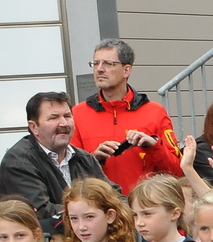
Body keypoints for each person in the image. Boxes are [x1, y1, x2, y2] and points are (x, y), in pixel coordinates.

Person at [70, 40, 180, 193]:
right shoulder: (78, 113)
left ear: (126, 70)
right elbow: (68, 171)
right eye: (95, 63)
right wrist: (94, 158)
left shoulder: (155, 112)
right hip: (98, 207)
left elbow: (177, 171)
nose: (100, 69)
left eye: (108, 63)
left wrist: (153, 146)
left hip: (142, 208)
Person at [0, 93, 106, 241]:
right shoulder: (18, 161)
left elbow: (112, 195)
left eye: (67, 116)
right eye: (54, 118)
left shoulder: (84, 158)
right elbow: (41, 211)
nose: (64, 124)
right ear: (34, 127)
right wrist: (96, 213)